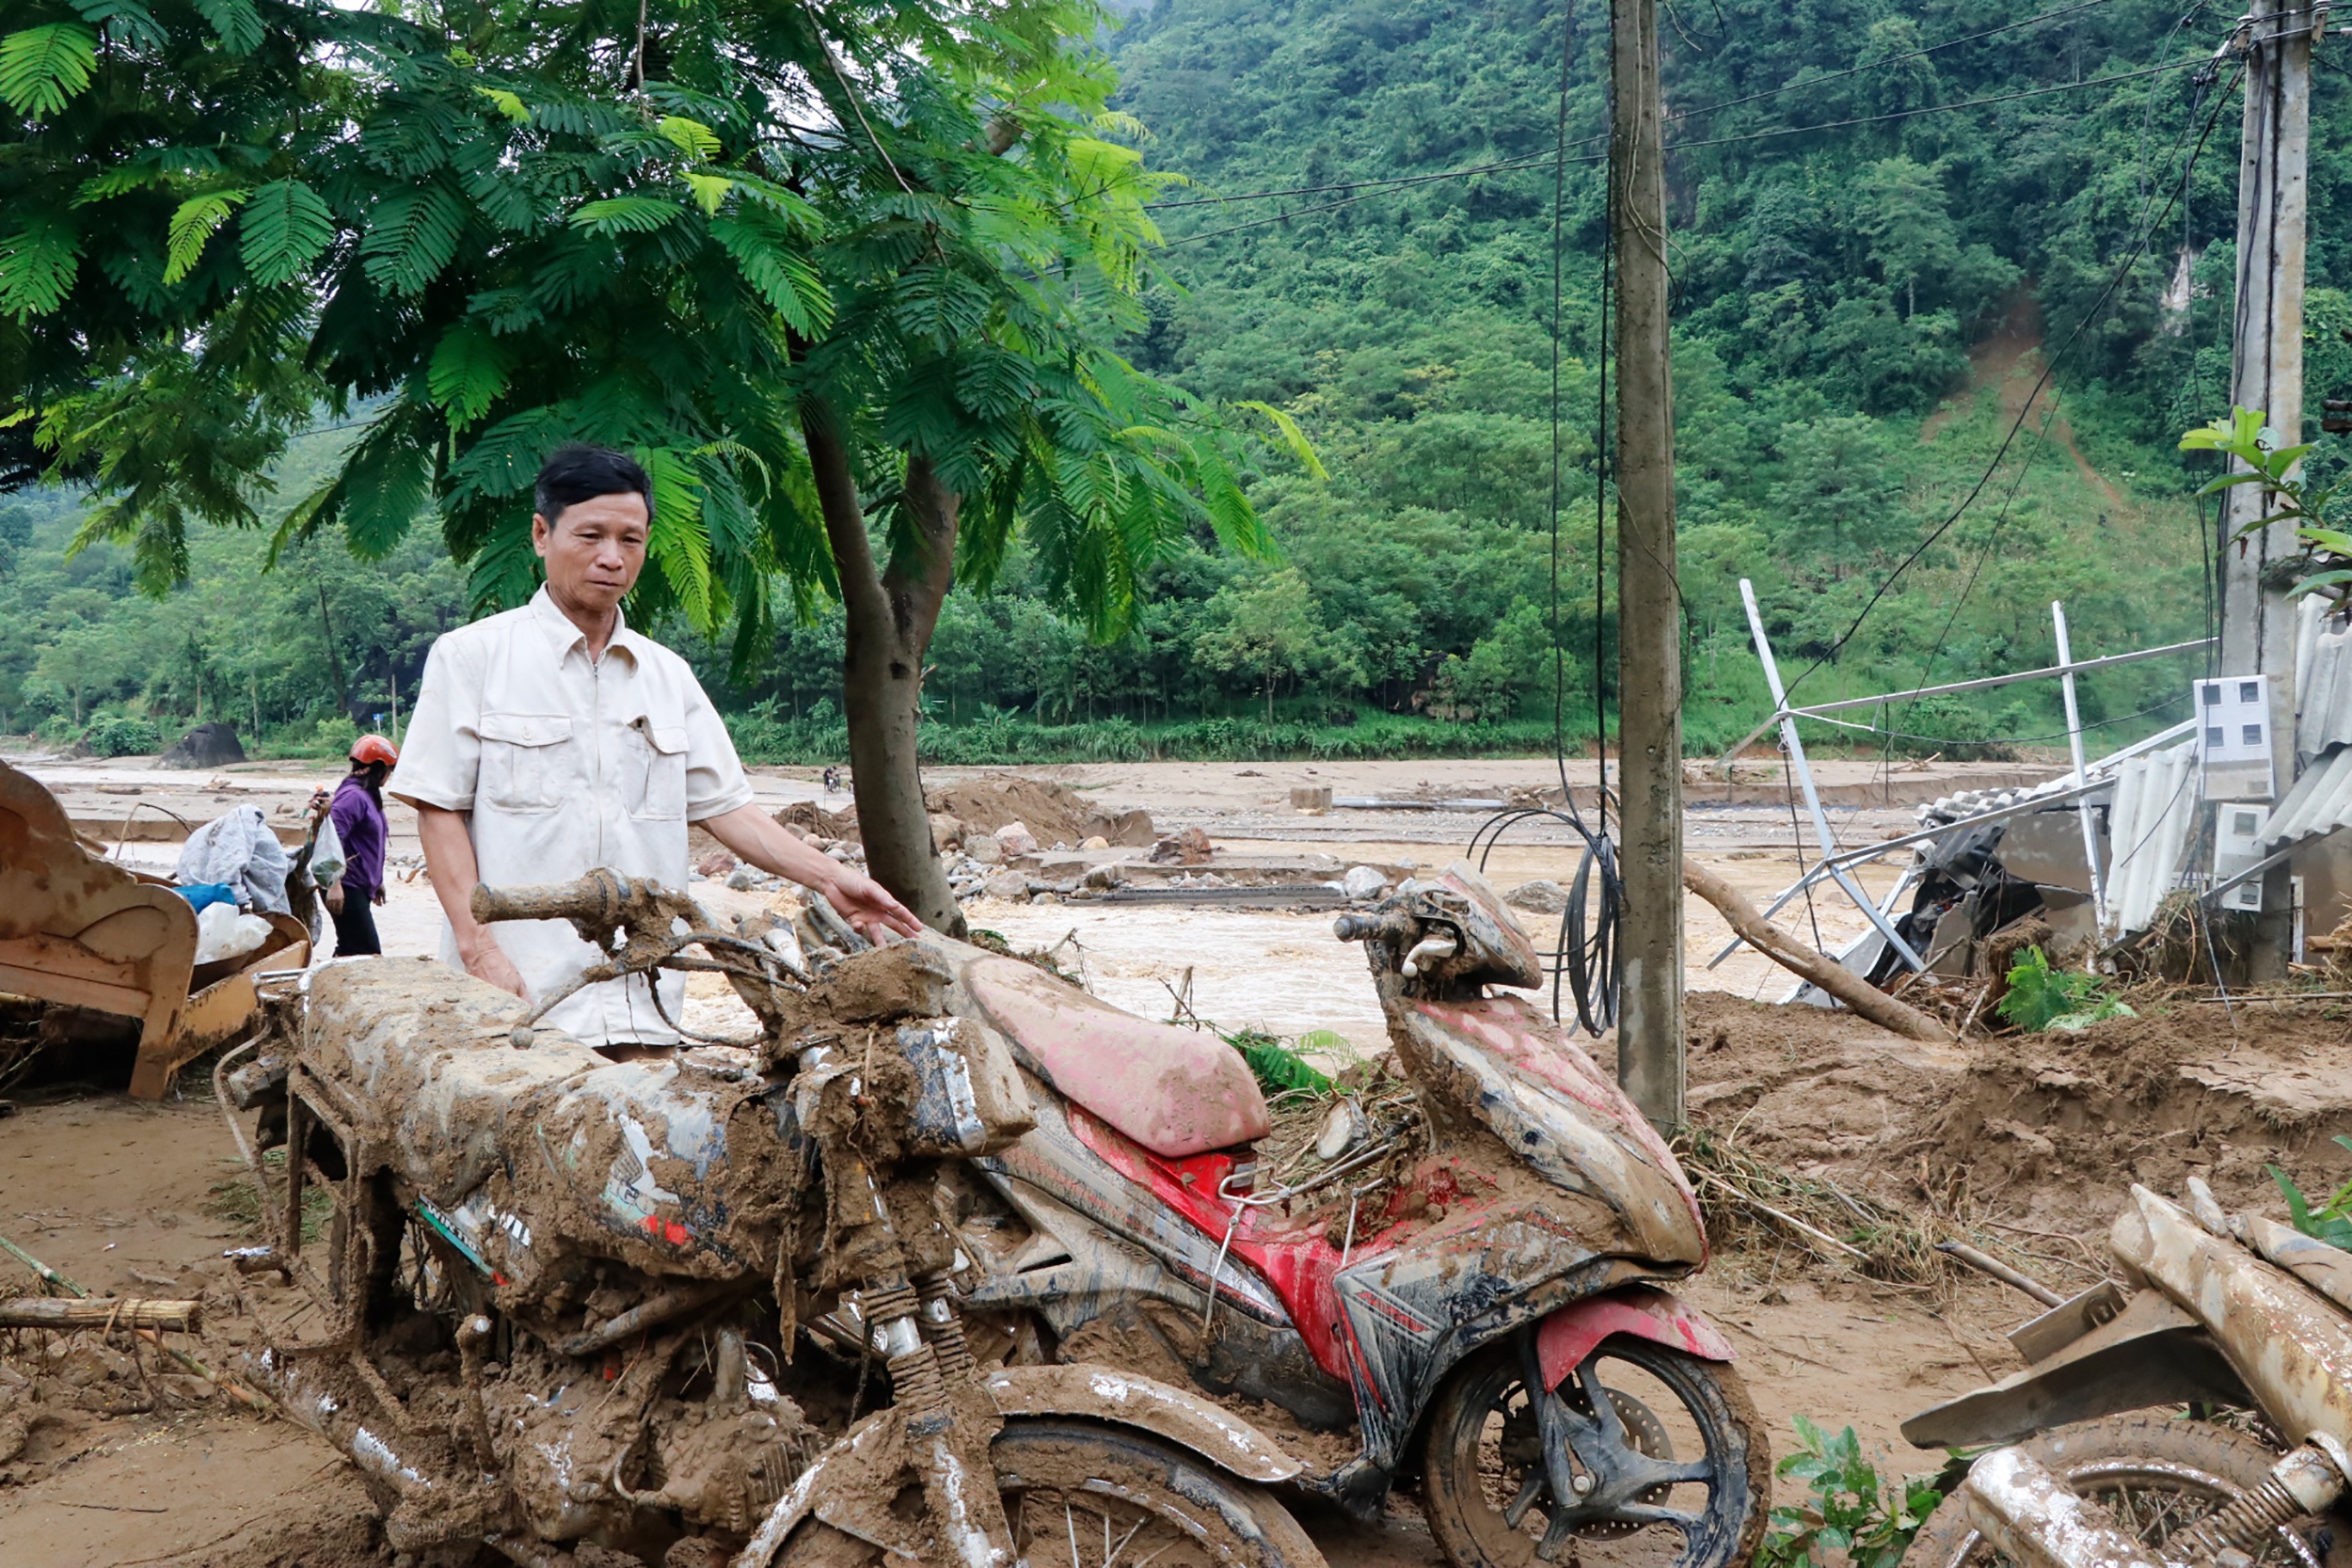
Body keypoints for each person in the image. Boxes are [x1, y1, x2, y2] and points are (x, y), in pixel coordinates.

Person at [387, 443, 920, 1047]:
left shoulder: (667, 675)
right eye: (590, 536)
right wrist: (480, 950)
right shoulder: (472, 658)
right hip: (517, 1004)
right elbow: (438, 810)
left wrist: (831, 878)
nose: (612, 558)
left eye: (630, 539)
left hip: (644, 1002)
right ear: (541, 534)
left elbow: (728, 808)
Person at [325, 735, 397, 958]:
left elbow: (367, 843)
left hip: (358, 884)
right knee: (367, 952)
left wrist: (377, 880)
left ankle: (326, 979)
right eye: (389, 770)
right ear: (379, 768)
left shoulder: (367, 795)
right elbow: (330, 839)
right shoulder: (353, 797)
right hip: (346, 885)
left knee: (351, 949)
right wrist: (334, 885)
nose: (389, 775)